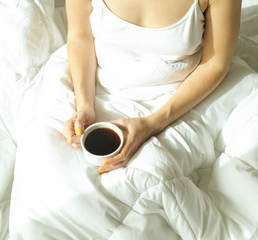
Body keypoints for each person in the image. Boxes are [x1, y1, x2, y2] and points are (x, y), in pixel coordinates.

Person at [61, 0, 241, 174]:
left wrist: (151, 124)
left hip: (180, 99)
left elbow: (214, 64)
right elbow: (81, 36)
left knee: (152, 172)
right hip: (95, 84)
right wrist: (85, 105)